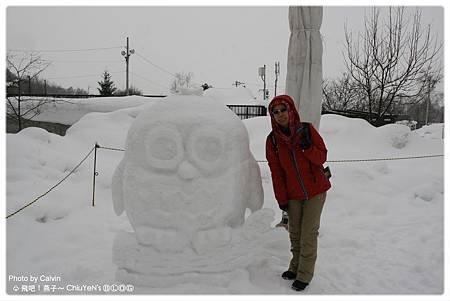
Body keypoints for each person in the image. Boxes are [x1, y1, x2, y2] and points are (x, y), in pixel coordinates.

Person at [265, 95, 331, 291]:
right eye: (275, 112)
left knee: (308, 234)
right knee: (295, 233)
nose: (280, 115)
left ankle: (304, 274)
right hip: (293, 194)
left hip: (315, 191)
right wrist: (281, 199)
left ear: (291, 109)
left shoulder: (307, 130)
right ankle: (295, 267)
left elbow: (321, 157)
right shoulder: (273, 141)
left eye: (283, 110)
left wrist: (307, 148)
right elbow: (276, 172)